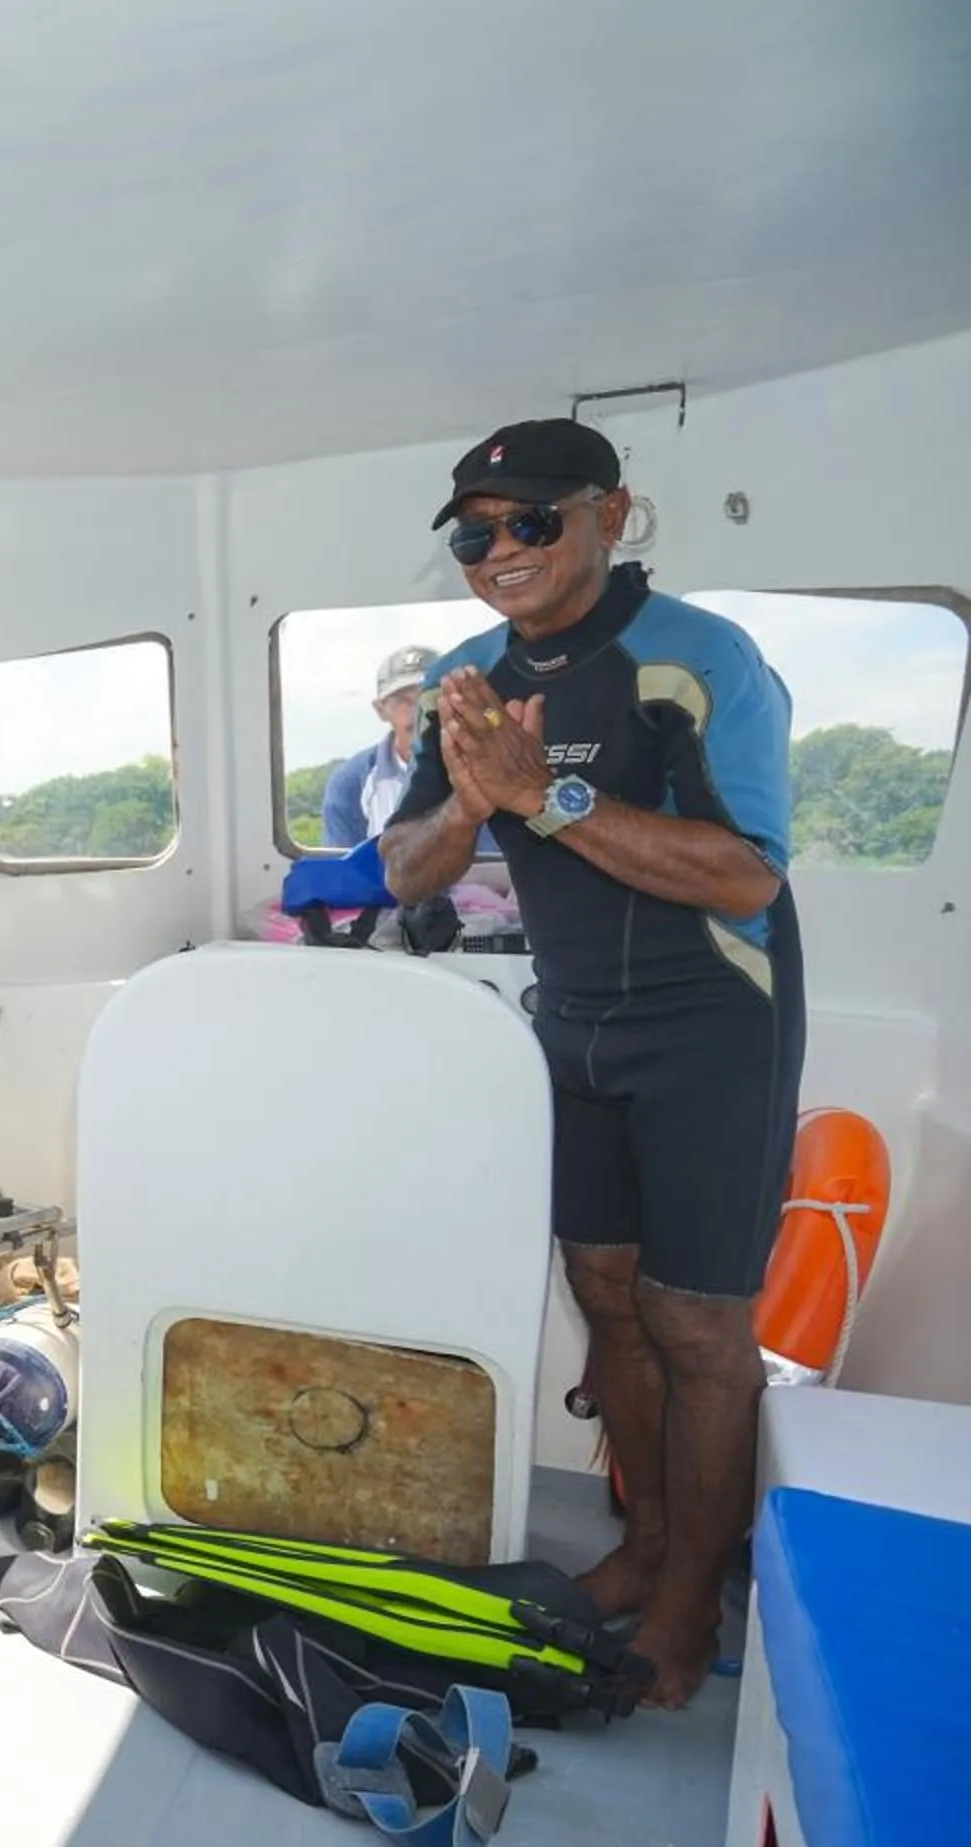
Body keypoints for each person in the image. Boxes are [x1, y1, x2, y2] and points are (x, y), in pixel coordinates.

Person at [381, 416, 802, 1710]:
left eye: (530, 521)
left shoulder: (701, 662)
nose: (498, 550)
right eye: (473, 533)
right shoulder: (467, 676)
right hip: (573, 1023)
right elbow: (407, 873)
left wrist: (545, 794)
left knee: (699, 1326)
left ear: (611, 516)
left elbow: (747, 873)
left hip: (712, 1024)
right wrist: (471, 795)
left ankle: (691, 1600)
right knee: (608, 1299)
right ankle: (650, 1545)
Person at [321, 645, 438, 847]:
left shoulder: (484, 767)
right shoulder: (352, 782)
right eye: (404, 701)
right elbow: (344, 869)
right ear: (381, 710)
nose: (419, 713)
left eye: (430, 697)